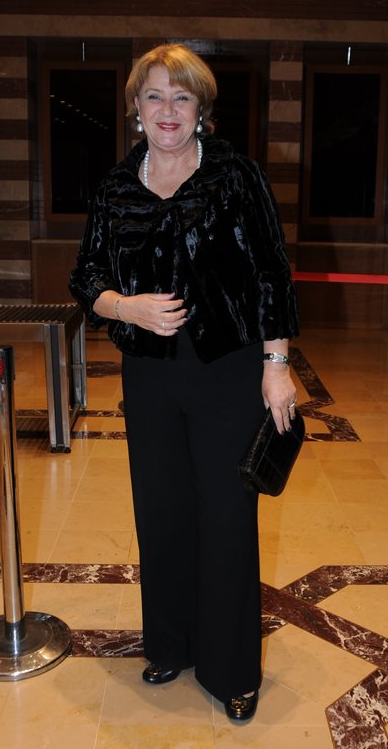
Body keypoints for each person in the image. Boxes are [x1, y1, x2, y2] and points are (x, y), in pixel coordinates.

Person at [69, 43, 299, 721]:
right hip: (148, 375)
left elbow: (271, 273)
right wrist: (125, 307)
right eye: (155, 96)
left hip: (228, 369)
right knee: (161, 511)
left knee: (226, 516)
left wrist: (277, 366)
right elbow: (86, 278)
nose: (167, 109)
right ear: (136, 108)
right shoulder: (116, 186)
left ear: (201, 109)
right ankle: (170, 643)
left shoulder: (235, 175)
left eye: (181, 96)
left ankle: (231, 668)